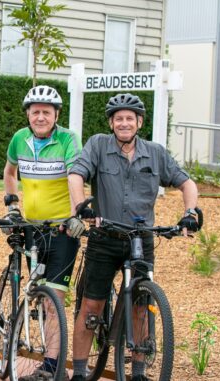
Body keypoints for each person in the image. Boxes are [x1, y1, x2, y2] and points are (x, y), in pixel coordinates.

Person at [67, 93, 200, 381]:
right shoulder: (98, 145)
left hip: (141, 239)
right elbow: (76, 175)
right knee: (92, 305)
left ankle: (138, 373)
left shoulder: (155, 152)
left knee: (142, 307)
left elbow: (186, 182)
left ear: (139, 122)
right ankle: (79, 372)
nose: (124, 123)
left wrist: (190, 212)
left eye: (130, 118)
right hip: (104, 237)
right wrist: (81, 208)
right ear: (111, 123)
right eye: (119, 118)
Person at [2, 85, 82, 381]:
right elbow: (9, 172)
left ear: (56, 115)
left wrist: (77, 214)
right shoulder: (19, 139)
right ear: (28, 115)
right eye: (35, 112)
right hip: (32, 229)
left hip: (62, 229)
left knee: (53, 300)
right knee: (36, 292)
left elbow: (76, 176)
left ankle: (51, 366)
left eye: (46, 112)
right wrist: (12, 205)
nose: (40, 117)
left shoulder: (68, 139)